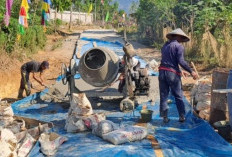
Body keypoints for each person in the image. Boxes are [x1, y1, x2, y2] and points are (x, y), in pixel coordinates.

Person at [158, 28, 198, 123]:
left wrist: (179, 70)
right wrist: (191, 71)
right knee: (178, 95)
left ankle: (165, 117)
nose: (182, 41)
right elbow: (181, 61)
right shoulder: (178, 46)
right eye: (181, 38)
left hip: (162, 72)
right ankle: (182, 116)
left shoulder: (165, 46)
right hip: (172, 74)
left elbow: (168, 61)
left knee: (164, 95)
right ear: (179, 36)